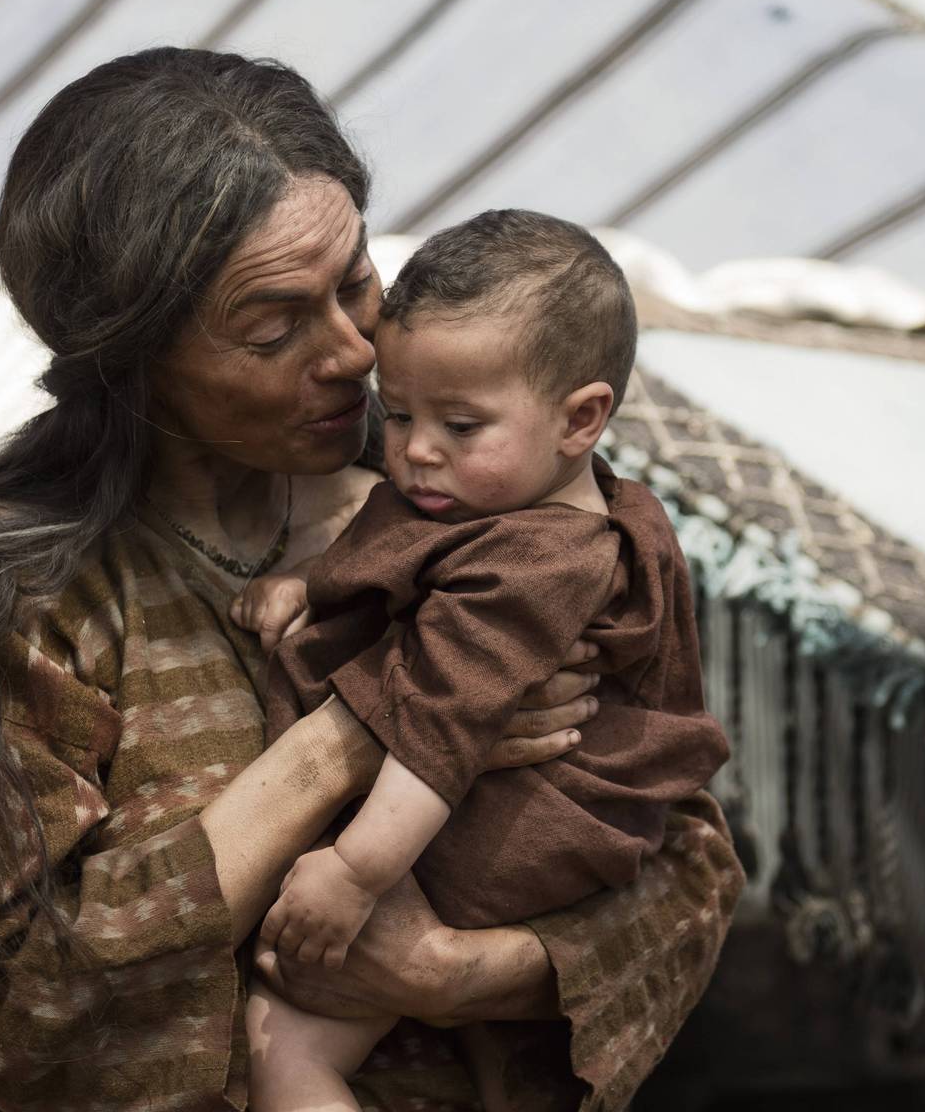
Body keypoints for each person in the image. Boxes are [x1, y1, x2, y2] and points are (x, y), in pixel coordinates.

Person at [0, 47, 743, 1112]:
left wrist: (457, 973)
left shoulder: (488, 510)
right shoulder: (17, 594)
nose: (349, 351)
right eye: (272, 326)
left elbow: (689, 864)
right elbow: (18, 1004)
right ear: (134, 358)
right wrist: (356, 738)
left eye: (356, 285)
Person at [233, 209, 730, 1111]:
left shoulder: (534, 565)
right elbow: (409, 575)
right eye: (405, 413)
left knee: (284, 1051)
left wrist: (352, 874)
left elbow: (438, 725)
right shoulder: (506, 507)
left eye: (461, 424)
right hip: (514, 847)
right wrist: (313, 581)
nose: (419, 450)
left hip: (491, 837)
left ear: (581, 418)